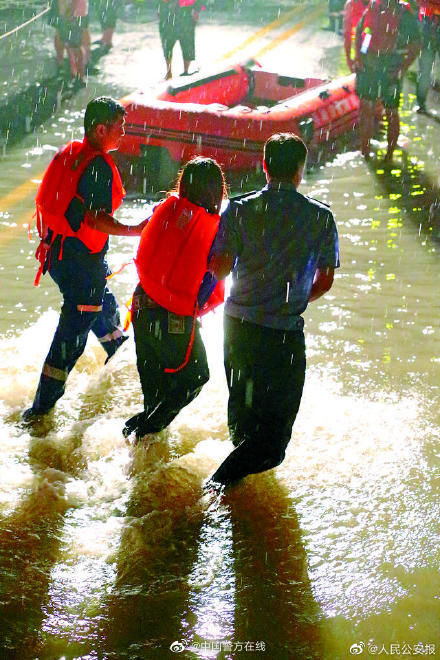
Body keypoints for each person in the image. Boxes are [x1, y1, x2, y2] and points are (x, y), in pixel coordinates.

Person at [205, 133, 340, 489]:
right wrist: (290, 298)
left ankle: (232, 498)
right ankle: (215, 489)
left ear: (264, 166)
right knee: (274, 445)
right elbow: (324, 281)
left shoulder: (239, 209)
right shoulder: (320, 217)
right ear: (300, 170)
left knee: (243, 421)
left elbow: (218, 269)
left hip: (238, 328)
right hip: (283, 336)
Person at [23, 97, 148, 421]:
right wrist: (135, 229)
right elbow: (94, 219)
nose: (123, 133)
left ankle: (121, 362)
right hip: (80, 264)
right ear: (100, 128)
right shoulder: (97, 167)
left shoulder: (72, 154)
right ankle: (39, 412)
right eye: (119, 127)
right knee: (71, 338)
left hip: (58, 256)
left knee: (101, 305)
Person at [123, 157, 227, 442]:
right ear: (217, 191)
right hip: (173, 318)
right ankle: (142, 428)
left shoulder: (165, 209)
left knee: (155, 392)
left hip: (142, 304)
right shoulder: (216, 231)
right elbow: (210, 279)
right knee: (195, 378)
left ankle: (140, 459)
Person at [354, 0, 420, 161]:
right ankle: (386, 156)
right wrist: (402, 68)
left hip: (372, 66)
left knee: (369, 109)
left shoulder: (375, 7)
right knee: (390, 111)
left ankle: (367, 152)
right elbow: (416, 46)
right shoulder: (403, 13)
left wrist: (360, 57)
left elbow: (361, 33)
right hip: (387, 68)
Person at [158, 0, 204, 80]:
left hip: (185, 10)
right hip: (168, 9)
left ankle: (185, 71)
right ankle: (169, 72)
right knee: (167, 43)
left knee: (187, 42)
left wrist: (197, 10)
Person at [415, 0, 440, 113]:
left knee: (425, 68)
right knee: (425, 68)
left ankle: (421, 105)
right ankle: (421, 104)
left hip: (429, 24)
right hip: (429, 25)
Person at [343, 0, 369, 72]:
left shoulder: (377, 5)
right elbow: (347, 34)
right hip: (363, 47)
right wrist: (348, 57)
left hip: (373, 50)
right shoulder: (351, 4)